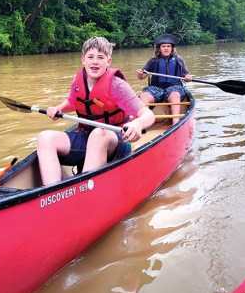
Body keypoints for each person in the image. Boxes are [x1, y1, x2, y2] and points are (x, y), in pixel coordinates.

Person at [36, 37, 155, 186]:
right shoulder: (78, 81)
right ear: (83, 60)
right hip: (86, 135)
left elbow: (148, 114)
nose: (95, 62)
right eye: (90, 57)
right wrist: (59, 108)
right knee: (45, 137)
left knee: (99, 133)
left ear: (108, 61)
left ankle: (84, 190)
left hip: (116, 141)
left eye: (100, 57)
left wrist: (137, 124)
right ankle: (52, 192)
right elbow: (72, 102)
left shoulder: (117, 85)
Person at [137, 34, 192, 124]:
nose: (166, 48)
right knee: (144, 96)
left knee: (175, 95)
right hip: (156, 88)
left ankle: (176, 124)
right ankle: (142, 124)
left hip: (174, 87)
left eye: (168, 46)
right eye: (163, 46)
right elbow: (141, 77)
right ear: (159, 48)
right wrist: (140, 74)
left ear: (172, 48)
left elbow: (186, 77)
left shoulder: (179, 60)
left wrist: (188, 78)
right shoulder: (153, 60)